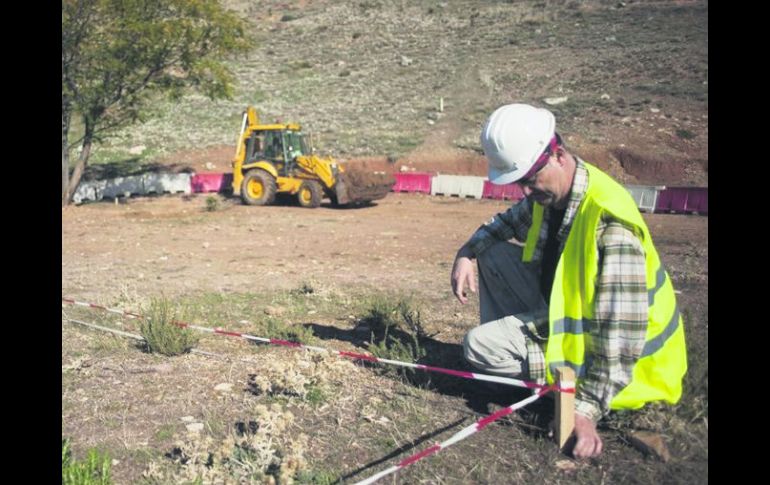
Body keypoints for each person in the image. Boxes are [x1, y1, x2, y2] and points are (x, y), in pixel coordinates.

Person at [451, 103, 687, 459]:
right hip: (575, 319)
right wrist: (467, 252)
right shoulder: (554, 191)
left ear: (557, 154)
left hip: (633, 370)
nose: (526, 193)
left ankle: (546, 387)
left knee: (479, 348)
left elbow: (621, 336)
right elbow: (506, 223)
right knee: (493, 253)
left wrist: (585, 410)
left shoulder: (610, 225)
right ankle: (527, 371)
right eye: (520, 183)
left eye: (530, 180)